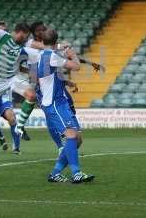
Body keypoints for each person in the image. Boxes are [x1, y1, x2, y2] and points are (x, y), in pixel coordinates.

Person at [36, 29, 94, 183]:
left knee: (78, 139)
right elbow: (76, 67)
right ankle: (76, 173)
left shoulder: (43, 54)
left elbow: (52, 74)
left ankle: (55, 173)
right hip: (54, 103)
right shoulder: (52, 57)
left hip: (60, 102)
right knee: (71, 135)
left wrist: (65, 81)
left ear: (42, 41)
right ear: (55, 42)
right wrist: (72, 54)